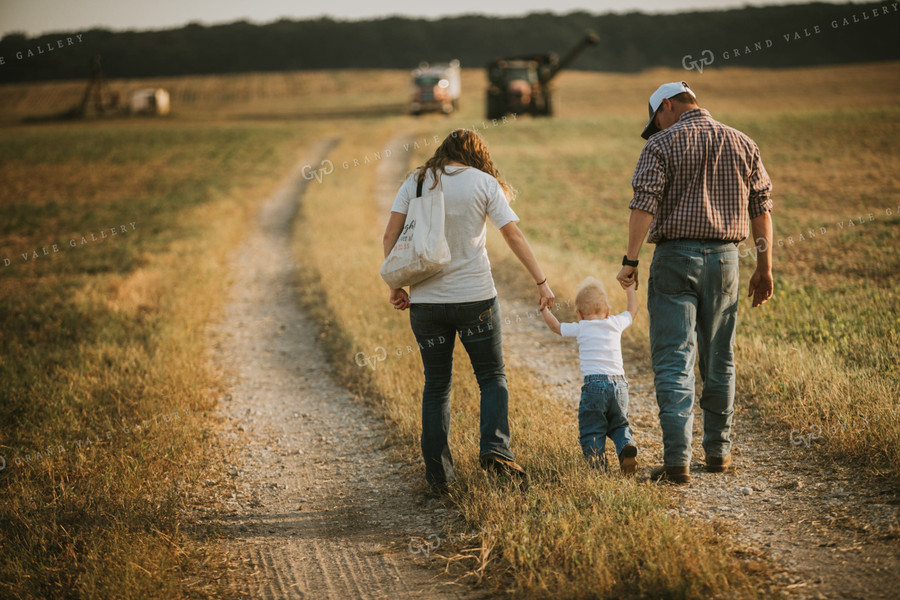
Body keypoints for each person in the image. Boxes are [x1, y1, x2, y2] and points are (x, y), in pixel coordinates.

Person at [616, 81, 774, 485]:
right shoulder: (742, 142)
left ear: (667, 105)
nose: (657, 129)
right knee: (720, 358)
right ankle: (719, 454)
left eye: (657, 120)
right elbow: (762, 209)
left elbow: (643, 204)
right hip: (726, 261)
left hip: (674, 259)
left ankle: (677, 462)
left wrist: (630, 261)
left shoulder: (660, 146)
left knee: (674, 359)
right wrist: (764, 266)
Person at [382, 129, 554, 494]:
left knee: (437, 385)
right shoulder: (484, 182)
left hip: (427, 303)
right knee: (492, 376)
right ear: (477, 154)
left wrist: (395, 284)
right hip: (475, 299)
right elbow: (513, 236)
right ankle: (495, 450)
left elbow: (390, 236)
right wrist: (541, 282)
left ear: (444, 151)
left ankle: (439, 477)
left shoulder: (417, 180)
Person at [540, 276, 639, 475]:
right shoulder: (615, 323)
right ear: (608, 312)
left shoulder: (581, 327)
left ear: (579, 314)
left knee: (592, 428)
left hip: (594, 387)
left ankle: (597, 468)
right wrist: (630, 289)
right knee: (619, 424)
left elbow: (555, 327)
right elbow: (632, 311)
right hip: (620, 386)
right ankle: (626, 447)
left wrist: (544, 309)